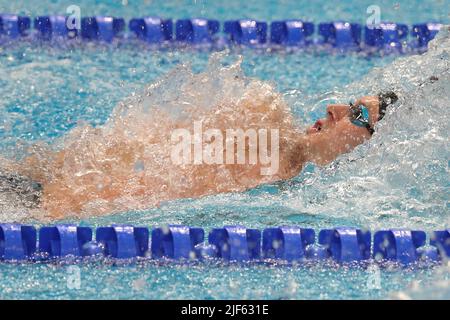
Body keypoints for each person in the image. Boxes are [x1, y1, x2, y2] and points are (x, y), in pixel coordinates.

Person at [0, 91, 398, 218]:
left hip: (40, 209)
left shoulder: (284, 167)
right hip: (40, 193)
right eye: (350, 104)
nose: (335, 109)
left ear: (370, 148)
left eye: (358, 115)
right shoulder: (274, 136)